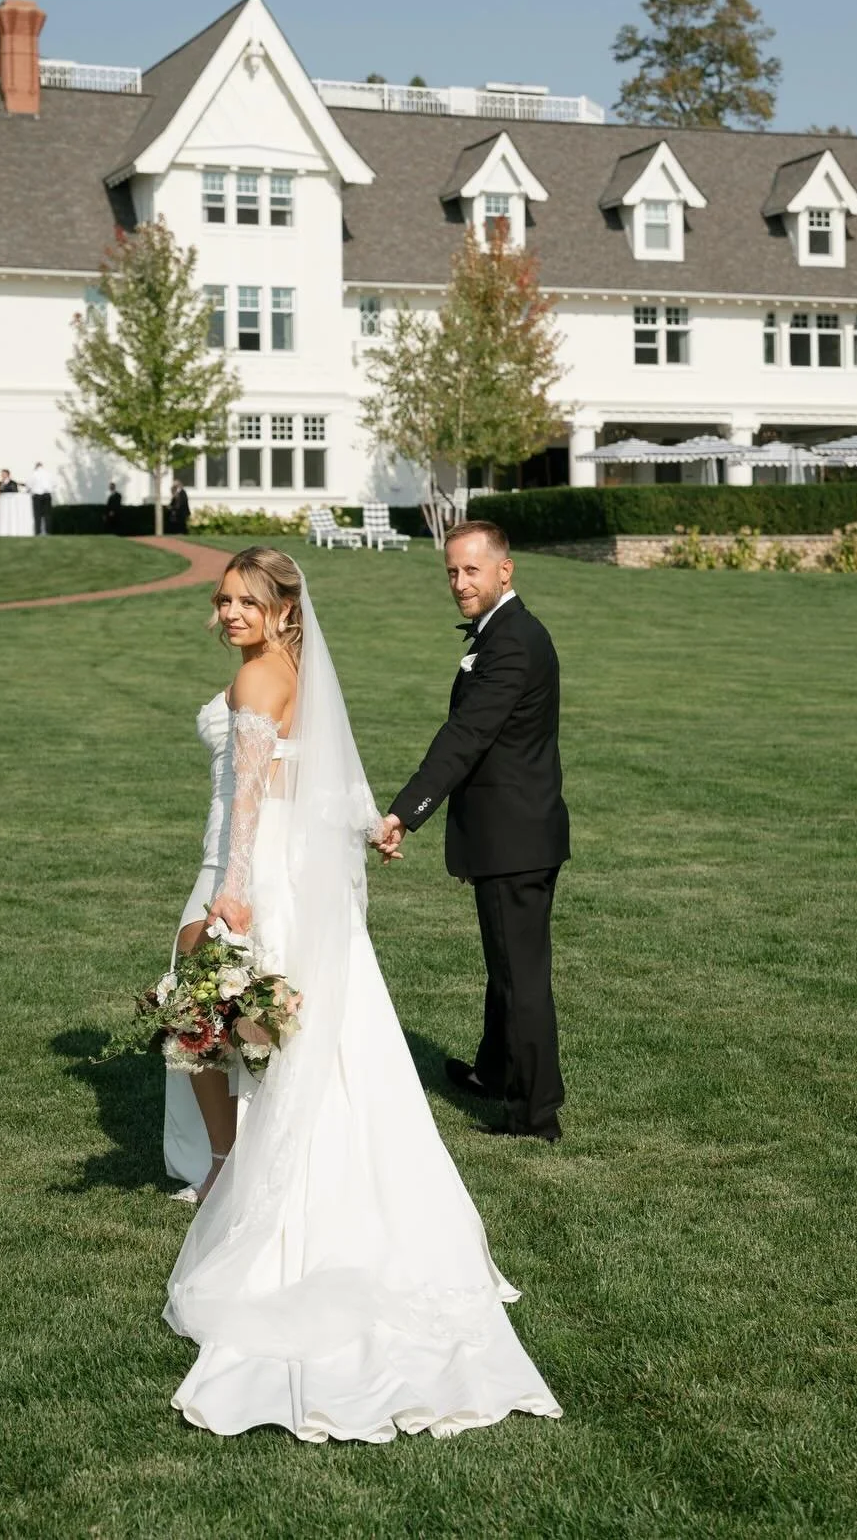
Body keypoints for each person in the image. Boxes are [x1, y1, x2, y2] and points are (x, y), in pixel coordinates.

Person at [160, 546, 561, 1442]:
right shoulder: (295, 670)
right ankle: (239, 1162)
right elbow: (320, 779)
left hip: (248, 868)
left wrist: (230, 889)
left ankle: (237, 1172)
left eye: (242, 599)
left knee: (209, 1011)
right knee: (300, 1032)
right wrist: (360, 826)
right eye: (220, 599)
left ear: (278, 607)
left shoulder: (261, 679)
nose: (225, 612)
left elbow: (255, 793)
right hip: (289, 870)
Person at [378, 519, 569, 1144]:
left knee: (521, 977)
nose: (460, 583)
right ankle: (494, 1072)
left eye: (471, 570)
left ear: (504, 570)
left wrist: (406, 811)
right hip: (514, 830)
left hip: (515, 838)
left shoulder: (512, 642)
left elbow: (466, 737)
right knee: (506, 967)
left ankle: (535, 1114)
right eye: (452, 572)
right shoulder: (502, 633)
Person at [28, 460, 53, 537]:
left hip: (37, 495)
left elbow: (29, 484)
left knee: (37, 515)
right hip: (47, 494)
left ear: (36, 466)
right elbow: (54, 483)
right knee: (47, 514)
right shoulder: (48, 474)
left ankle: (38, 532)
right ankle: (48, 531)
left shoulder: (34, 474)